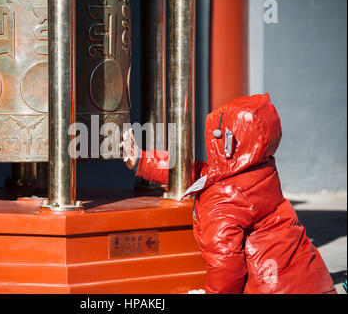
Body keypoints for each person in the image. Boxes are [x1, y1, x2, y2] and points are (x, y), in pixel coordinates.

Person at [121, 93, 336, 294]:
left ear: (227, 143)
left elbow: (226, 266)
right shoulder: (261, 169)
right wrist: (142, 160)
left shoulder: (222, 200)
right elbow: (203, 173)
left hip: (271, 287)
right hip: (314, 282)